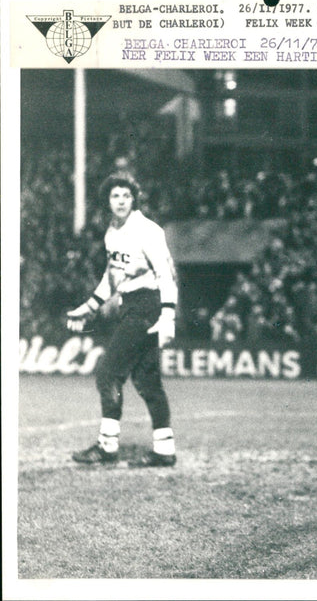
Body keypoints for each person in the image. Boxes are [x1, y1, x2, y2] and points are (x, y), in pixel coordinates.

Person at [66, 171, 178, 468]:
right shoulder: (112, 233)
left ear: (134, 199)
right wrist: (88, 306)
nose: (121, 201)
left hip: (147, 306)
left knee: (107, 374)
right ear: (107, 200)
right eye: (115, 196)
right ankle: (165, 450)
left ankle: (107, 446)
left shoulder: (148, 230)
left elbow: (166, 275)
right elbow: (111, 277)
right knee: (146, 379)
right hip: (130, 305)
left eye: (126, 195)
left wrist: (168, 316)